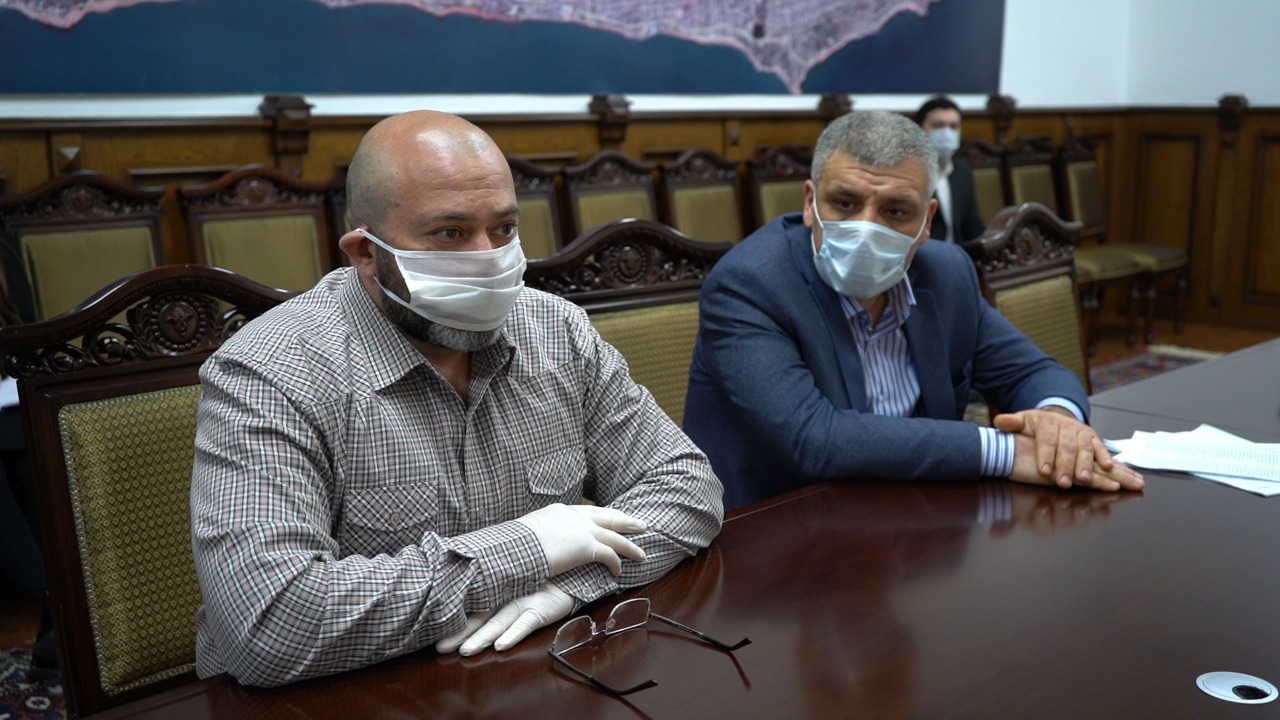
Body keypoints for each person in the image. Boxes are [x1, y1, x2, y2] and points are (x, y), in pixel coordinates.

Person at [190, 110, 724, 687]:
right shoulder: (271, 372)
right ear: (365, 253)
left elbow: (687, 486)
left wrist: (571, 583)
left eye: (504, 229)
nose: (487, 258)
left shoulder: (556, 330)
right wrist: (529, 549)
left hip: (530, 676)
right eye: (450, 233)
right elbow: (270, 622)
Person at [683, 110, 1143, 511]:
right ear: (809, 203)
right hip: (776, 532)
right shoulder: (750, 285)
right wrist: (1006, 452)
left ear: (927, 222)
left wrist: (1058, 424)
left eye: (895, 211)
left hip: (918, 517)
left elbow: (1034, 372)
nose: (865, 227)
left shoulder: (947, 272)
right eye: (844, 203)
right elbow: (816, 439)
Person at [914, 95, 986, 243]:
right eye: (938, 126)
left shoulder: (962, 169)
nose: (947, 133)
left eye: (953, 127)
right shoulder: (907, 173)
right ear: (919, 130)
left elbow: (973, 227)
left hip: (959, 252)